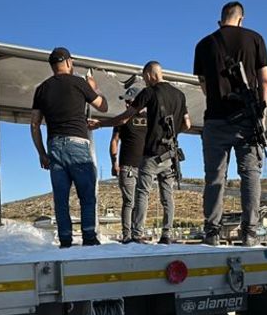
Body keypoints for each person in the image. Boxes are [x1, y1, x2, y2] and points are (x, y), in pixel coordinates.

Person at [193, 1, 267, 246]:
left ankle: (212, 233)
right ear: (241, 18)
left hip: (215, 119)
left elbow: (204, 84)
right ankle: (249, 233)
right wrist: (262, 114)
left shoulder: (204, 44)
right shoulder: (255, 39)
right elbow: (265, 82)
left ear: (221, 20)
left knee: (215, 178)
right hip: (247, 120)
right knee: (250, 176)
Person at [91, 61, 190, 244]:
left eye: (145, 78)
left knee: (142, 193)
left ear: (150, 75)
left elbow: (125, 117)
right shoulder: (180, 95)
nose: (144, 82)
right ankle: (167, 234)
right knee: (167, 195)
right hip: (171, 153)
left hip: (152, 153)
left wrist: (101, 124)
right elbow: (187, 124)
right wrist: (173, 134)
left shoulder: (149, 92)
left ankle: (136, 234)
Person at [30, 47, 109, 248]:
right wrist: (95, 87)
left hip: (54, 146)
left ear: (52, 66)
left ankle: (65, 241)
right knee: (87, 195)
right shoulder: (79, 83)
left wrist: (42, 153)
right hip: (78, 145)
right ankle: (89, 238)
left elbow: (34, 124)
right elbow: (103, 106)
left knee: (61, 198)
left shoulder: (42, 88)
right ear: (68, 62)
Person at [109, 80, 148, 242]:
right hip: (127, 167)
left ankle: (137, 234)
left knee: (141, 201)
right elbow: (114, 141)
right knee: (129, 201)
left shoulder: (150, 119)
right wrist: (114, 163)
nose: (126, 103)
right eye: (125, 101)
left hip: (146, 168)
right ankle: (127, 236)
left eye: (129, 100)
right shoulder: (122, 120)